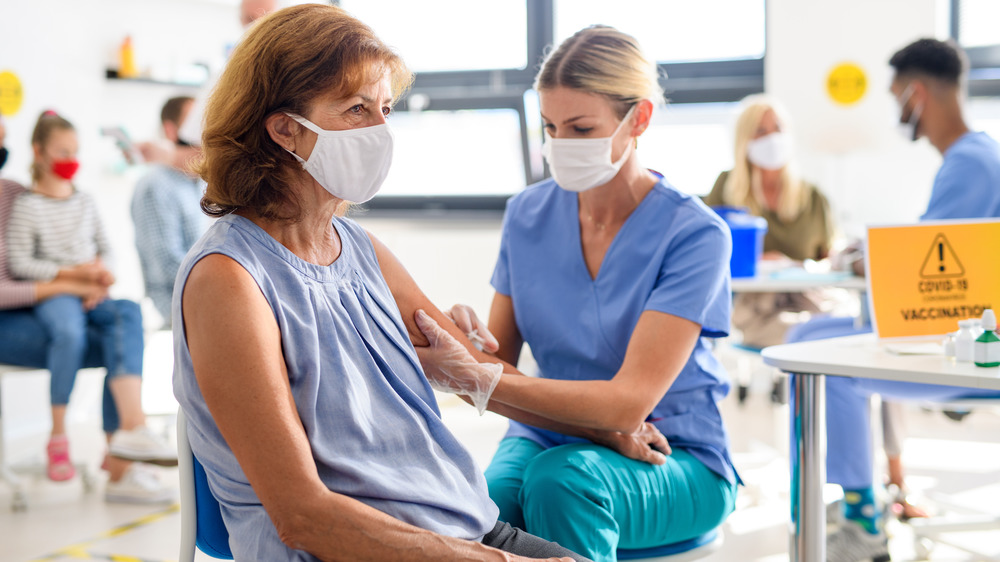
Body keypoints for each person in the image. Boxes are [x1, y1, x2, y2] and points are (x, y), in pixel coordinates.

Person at [173, 6, 672, 560]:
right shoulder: (229, 279)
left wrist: (603, 431)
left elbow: (476, 373)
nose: (380, 131)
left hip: (461, 528)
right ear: (285, 128)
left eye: (385, 109)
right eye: (356, 109)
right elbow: (302, 517)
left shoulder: (357, 249)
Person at [418, 25, 740, 562]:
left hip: (673, 450)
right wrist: (469, 345)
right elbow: (500, 370)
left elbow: (629, 404)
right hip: (548, 435)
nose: (560, 144)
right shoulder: (527, 215)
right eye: (550, 126)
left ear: (637, 118)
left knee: (561, 484)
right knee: (477, 508)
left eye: (581, 127)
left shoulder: (695, 234)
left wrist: (477, 372)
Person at [815, 38, 1000, 561]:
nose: (898, 110)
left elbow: (927, 266)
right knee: (811, 339)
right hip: (955, 337)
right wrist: (871, 252)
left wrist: (862, 259)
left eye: (898, 97)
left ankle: (860, 515)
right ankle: (859, 498)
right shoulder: (974, 158)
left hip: (968, 351)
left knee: (823, 361)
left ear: (917, 94)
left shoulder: (972, 163)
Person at [0, 114, 175, 502]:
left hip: (84, 293)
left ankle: (130, 435)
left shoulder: (60, 197)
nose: (70, 159)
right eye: (62, 152)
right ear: (39, 152)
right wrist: (73, 278)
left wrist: (100, 277)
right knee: (72, 333)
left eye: (74, 152)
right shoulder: (26, 204)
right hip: (52, 301)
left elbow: (106, 249)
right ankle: (66, 436)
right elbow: (19, 267)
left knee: (126, 315)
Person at [703, 94, 834, 349]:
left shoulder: (813, 198)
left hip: (806, 300)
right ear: (744, 140)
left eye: (778, 129)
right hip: (751, 306)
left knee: (822, 331)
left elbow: (830, 262)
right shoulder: (726, 188)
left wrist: (792, 265)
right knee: (802, 339)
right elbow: (708, 251)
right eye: (761, 130)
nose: (772, 137)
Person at [131, 96, 209, 326]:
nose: (202, 130)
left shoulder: (199, 182)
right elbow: (167, 264)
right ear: (171, 130)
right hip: (179, 303)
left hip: (208, 289)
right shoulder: (156, 187)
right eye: (194, 122)